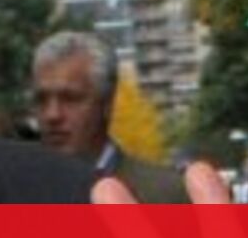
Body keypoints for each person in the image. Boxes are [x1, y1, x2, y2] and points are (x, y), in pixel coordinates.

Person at [32, 31, 188, 203]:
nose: (52, 114)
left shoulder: (165, 193)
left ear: (107, 103)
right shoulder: (18, 193)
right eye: (41, 99)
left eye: (70, 99)